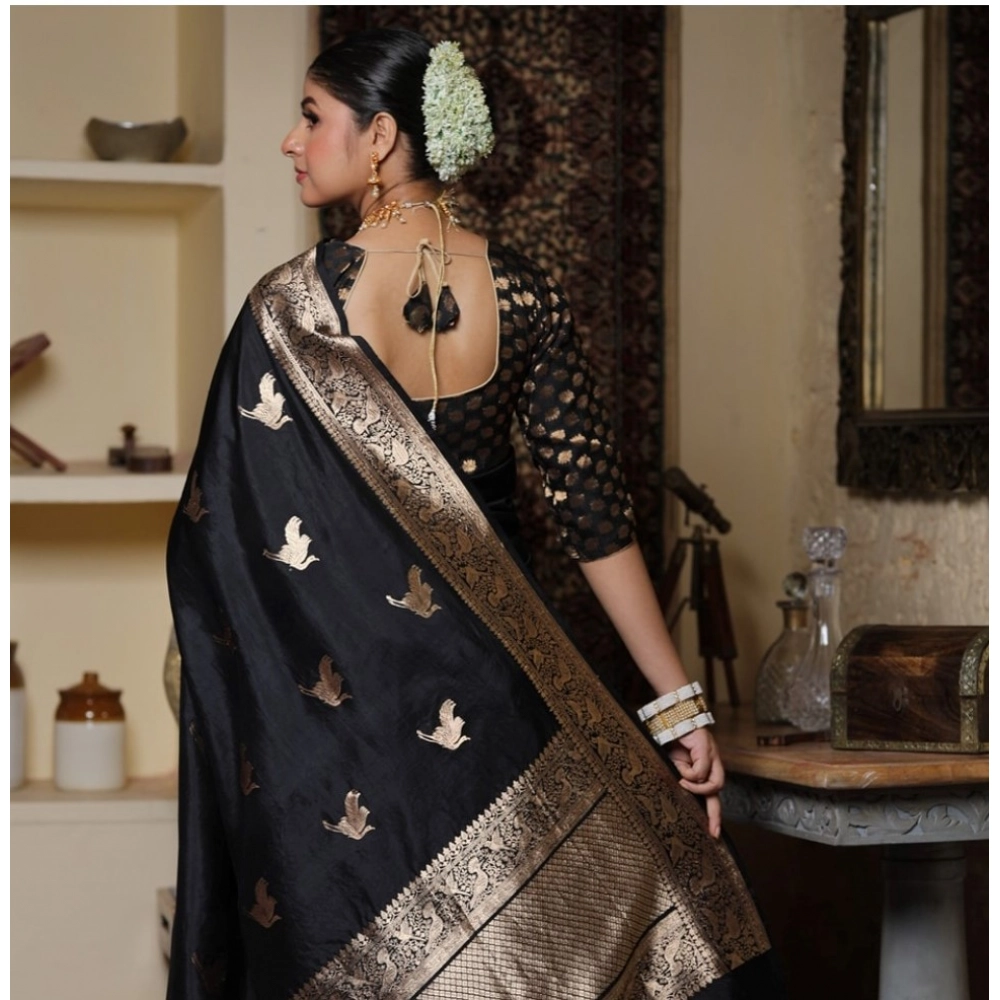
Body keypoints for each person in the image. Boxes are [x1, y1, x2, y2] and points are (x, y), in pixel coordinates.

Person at [166, 27, 783, 1000]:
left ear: (379, 136)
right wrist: (678, 707)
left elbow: (224, 550)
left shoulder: (287, 312)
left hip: (346, 736)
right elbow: (594, 517)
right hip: (503, 709)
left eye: (312, 117)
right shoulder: (525, 294)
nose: (291, 140)